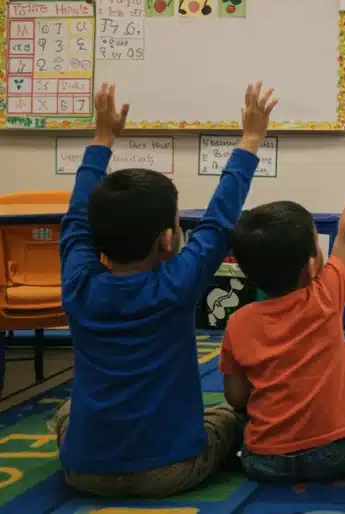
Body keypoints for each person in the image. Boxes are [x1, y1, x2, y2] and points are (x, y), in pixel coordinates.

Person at [52, 82, 275, 498]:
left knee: (67, 412)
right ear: (167, 241)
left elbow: (76, 220)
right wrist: (251, 137)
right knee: (231, 414)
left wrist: (101, 140)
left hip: (83, 471)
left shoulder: (78, 285)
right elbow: (219, 219)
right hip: (174, 469)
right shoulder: (176, 284)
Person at [218, 120, 345, 482]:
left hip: (264, 462)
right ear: (313, 263)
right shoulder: (326, 294)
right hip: (339, 455)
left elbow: (236, 398)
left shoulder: (239, 322)